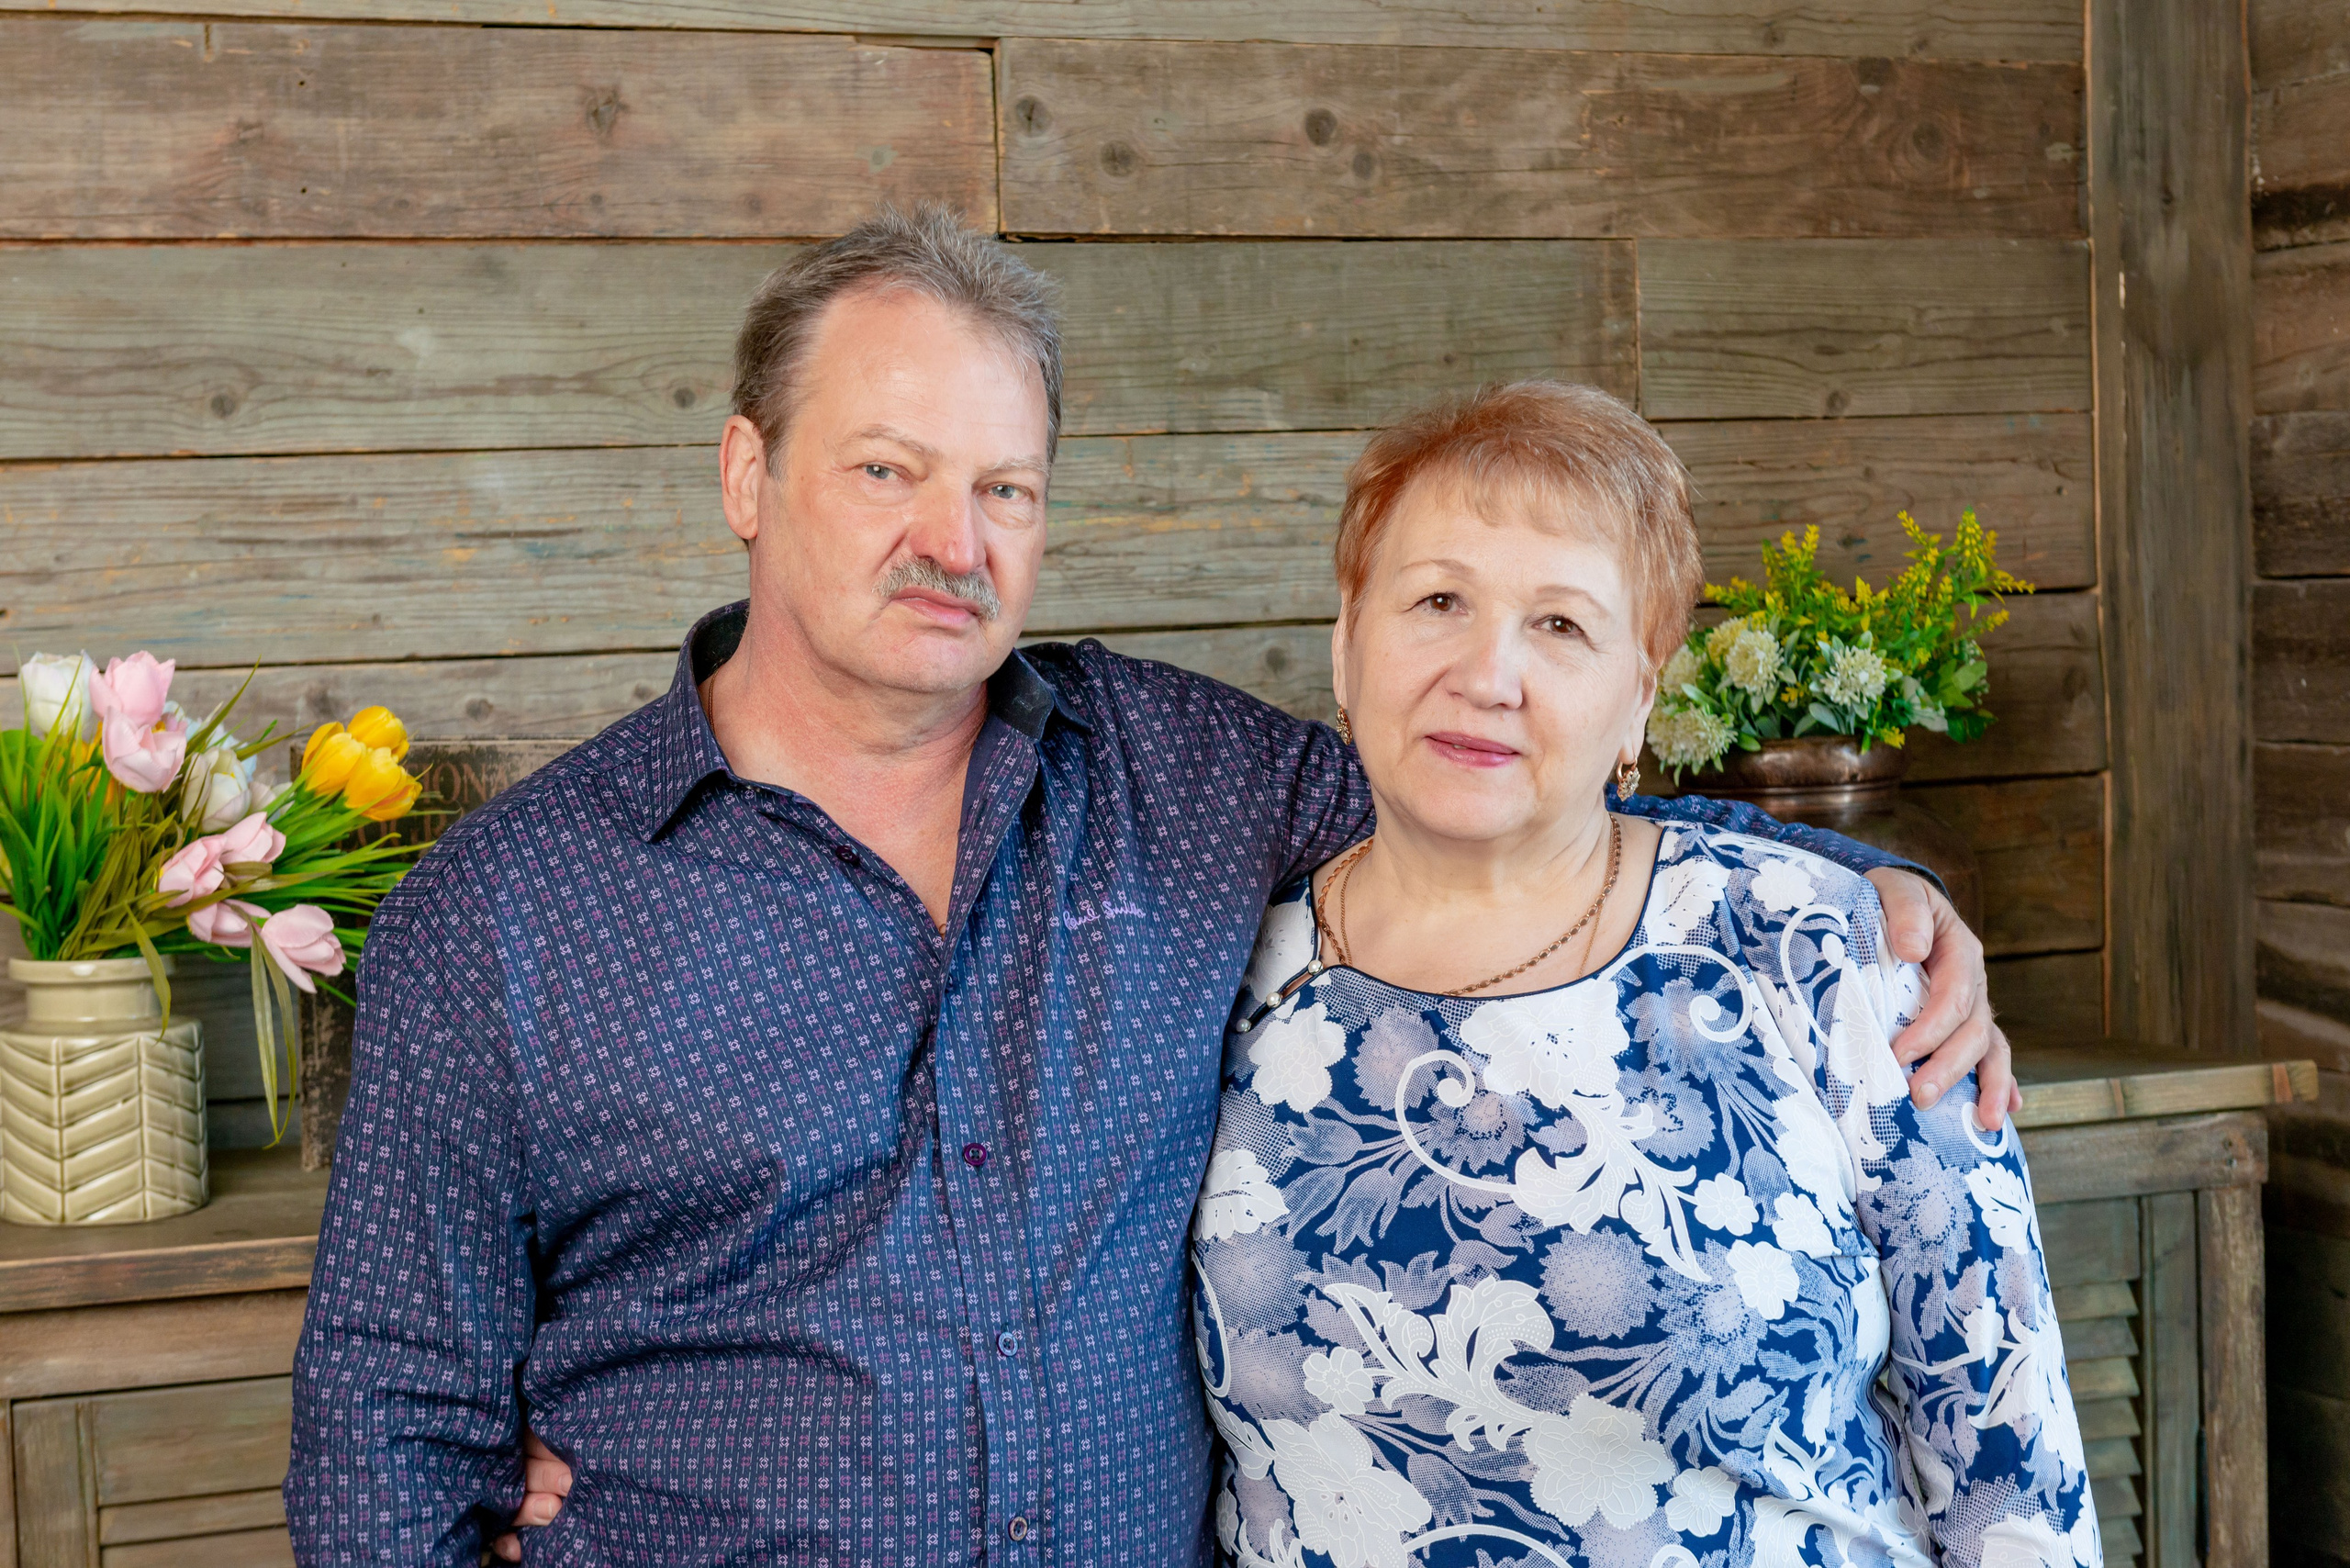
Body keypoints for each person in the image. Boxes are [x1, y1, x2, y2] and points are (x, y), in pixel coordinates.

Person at [283, 207, 2018, 1567]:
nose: (952, 541)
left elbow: (1500, 792)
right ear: (749, 473)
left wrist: (1872, 892)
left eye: (1005, 489)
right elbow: (387, 1420)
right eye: (887, 469)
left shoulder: (1178, 776)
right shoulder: (505, 912)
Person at [1190, 381, 2092, 1568]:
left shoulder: (1815, 950)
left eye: (1561, 625)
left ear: (1640, 701)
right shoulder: (1222, 980)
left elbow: (2012, 1465)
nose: (1488, 672)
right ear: (1346, 645)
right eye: (1439, 600)